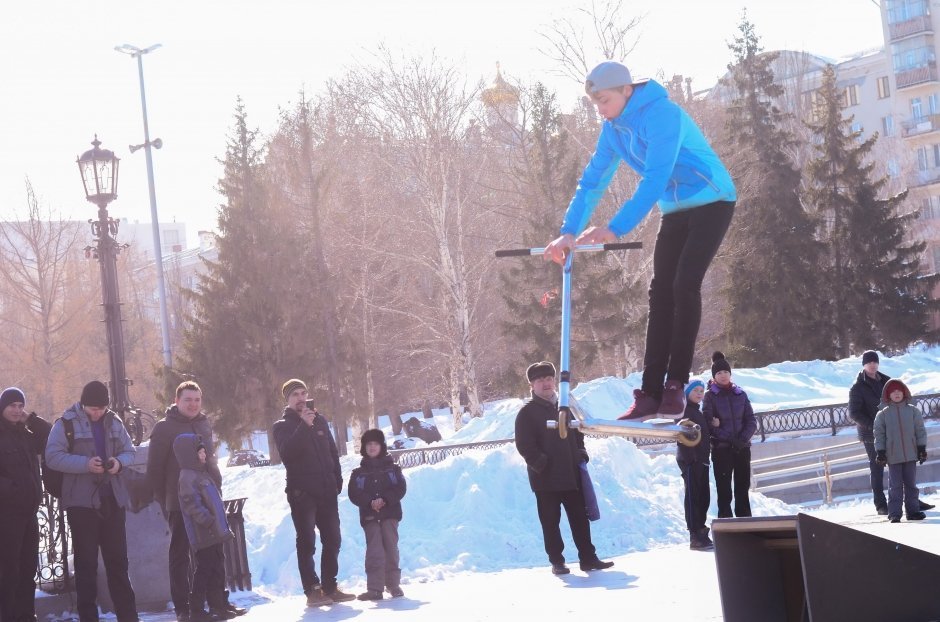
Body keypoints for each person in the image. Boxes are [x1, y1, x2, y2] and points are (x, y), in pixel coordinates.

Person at [545, 60, 736, 419]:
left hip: (713, 199)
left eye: (604, 101)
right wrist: (568, 231)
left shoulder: (664, 114)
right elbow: (591, 182)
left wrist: (615, 228)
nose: (600, 110)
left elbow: (653, 178)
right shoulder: (612, 130)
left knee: (684, 285)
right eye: (595, 104)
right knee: (659, 290)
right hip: (676, 209)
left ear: (626, 91)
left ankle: (675, 385)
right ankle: (650, 391)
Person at [147, 381, 245, 622]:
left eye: (197, 399)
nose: (193, 404)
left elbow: (210, 459)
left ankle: (218, 603)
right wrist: (164, 501)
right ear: (176, 400)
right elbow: (154, 470)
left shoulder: (203, 423)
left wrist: (216, 486)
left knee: (215, 552)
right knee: (180, 555)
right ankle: (183, 608)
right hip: (178, 502)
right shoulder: (163, 428)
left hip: (209, 498)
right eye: (187, 399)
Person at [45, 381, 139, 622]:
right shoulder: (65, 423)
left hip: (112, 500)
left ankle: (128, 616)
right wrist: (85, 465)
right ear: (82, 403)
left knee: (118, 563)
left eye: (101, 408)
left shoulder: (115, 421)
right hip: (81, 504)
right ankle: (88, 617)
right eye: (92, 408)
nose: (97, 413)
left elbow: (130, 451)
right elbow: (52, 457)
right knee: (86, 565)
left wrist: (119, 463)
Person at [513, 361, 614, 575]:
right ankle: (557, 561)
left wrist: (581, 454)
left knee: (579, 518)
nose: (546, 383)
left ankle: (588, 558)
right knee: (550, 522)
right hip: (545, 479)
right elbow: (524, 445)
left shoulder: (564, 408)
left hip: (570, 475)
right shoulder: (527, 413)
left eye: (549, 379)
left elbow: (578, 435)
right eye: (540, 380)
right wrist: (541, 463)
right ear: (532, 385)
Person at [272, 378, 354, 607]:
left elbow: (331, 452)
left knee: (333, 539)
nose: (300, 398)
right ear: (287, 400)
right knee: (307, 542)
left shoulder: (320, 421)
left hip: (327, 490)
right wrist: (303, 426)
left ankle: (330, 586)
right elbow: (288, 454)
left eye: (303, 393)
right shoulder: (282, 426)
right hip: (303, 494)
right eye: (295, 394)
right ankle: (312, 590)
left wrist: (337, 480)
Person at [847, 350, 933, 515]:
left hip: (894, 431)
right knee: (877, 467)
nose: (872, 365)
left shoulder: (887, 381)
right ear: (864, 365)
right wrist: (875, 425)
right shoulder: (857, 387)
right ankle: (881, 504)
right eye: (868, 362)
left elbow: (900, 399)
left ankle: (912, 501)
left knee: (903, 465)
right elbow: (854, 413)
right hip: (871, 434)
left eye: (874, 362)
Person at [173, 433, 235, 622]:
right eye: (199, 452)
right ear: (188, 454)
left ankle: (217, 605)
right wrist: (208, 520)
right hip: (204, 533)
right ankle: (197, 609)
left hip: (213, 531)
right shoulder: (187, 476)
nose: (203, 455)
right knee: (204, 570)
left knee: (217, 568)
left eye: (203, 452)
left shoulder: (202, 472)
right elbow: (191, 504)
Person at [0, 387, 50, 622]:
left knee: (28, 567)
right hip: (7, 513)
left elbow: (50, 436)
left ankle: (26, 615)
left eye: (20, 406)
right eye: (12, 406)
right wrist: (15, 491)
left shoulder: (25, 433)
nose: (17, 410)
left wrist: (31, 418)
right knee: (8, 570)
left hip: (29, 512)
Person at [347, 428, 406, 601]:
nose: (372, 447)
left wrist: (385, 499)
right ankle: (374, 588)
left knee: (391, 549)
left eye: (375, 444)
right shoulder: (358, 473)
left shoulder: (393, 469)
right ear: (364, 447)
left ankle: (393, 585)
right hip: (370, 517)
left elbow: (400, 488)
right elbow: (354, 493)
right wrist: (369, 502)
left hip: (390, 515)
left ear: (382, 446)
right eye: (368, 444)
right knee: (375, 551)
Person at [704, 353, 756, 518]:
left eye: (725, 372)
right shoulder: (710, 396)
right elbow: (709, 425)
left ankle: (745, 520)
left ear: (730, 373)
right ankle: (726, 522)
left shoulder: (740, 394)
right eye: (719, 373)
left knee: (742, 487)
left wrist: (742, 439)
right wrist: (730, 439)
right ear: (714, 377)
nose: (723, 375)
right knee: (724, 488)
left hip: (742, 448)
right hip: (722, 450)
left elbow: (751, 421)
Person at [874, 379, 928, 523]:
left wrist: (921, 448)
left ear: (904, 393)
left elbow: (920, 431)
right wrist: (880, 451)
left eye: (899, 391)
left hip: (911, 454)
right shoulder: (882, 414)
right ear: (888, 395)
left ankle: (913, 511)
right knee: (895, 485)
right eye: (893, 391)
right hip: (893, 456)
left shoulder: (913, 411)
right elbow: (879, 434)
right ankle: (894, 513)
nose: (896, 394)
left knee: (911, 484)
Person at [675, 379, 713, 550]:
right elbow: (681, 434)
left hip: (703, 460)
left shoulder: (698, 412)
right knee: (693, 497)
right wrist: (690, 458)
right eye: (695, 390)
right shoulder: (684, 411)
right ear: (687, 392)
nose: (699, 393)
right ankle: (694, 535)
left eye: (701, 390)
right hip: (691, 460)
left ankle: (702, 531)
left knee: (703, 497)